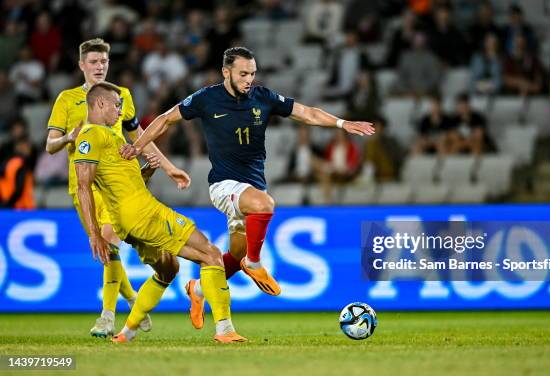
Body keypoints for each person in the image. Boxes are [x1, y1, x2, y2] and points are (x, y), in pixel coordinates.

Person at [120, 47, 374, 329]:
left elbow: (308, 114)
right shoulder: (207, 98)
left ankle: (198, 289)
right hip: (223, 185)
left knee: (235, 254)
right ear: (226, 72)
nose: (248, 79)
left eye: (252, 73)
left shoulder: (262, 97)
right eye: (243, 73)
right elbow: (165, 119)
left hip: (251, 186)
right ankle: (254, 264)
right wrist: (137, 146)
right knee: (265, 205)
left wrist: (343, 123)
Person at [75, 81, 246, 343]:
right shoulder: (90, 136)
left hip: (130, 221)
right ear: (99, 103)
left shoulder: (112, 136)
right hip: (144, 214)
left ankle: (126, 334)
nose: (121, 110)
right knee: (210, 254)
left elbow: (120, 184)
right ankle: (224, 330)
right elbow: (83, 186)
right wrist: (94, 234)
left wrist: (149, 170)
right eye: (116, 105)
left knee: (168, 270)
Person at [46, 38, 190, 338]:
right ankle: (134, 299)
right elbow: (50, 145)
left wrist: (168, 166)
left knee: (109, 239)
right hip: (83, 184)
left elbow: (139, 135)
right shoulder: (66, 99)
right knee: (105, 245)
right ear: (81, 65)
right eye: (94, 62)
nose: (100, 67)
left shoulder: (120, 95)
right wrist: (68, 138)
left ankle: (107, 316)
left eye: (104, 62)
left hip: (118, 184)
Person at [0, 135, 35, 209]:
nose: (29, 149)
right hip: (21, 208)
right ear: (19, 146)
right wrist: (9, 204)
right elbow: (19, 188)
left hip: (8, 206)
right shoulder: (20, 164)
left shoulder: (7, 163)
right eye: (27, 146)